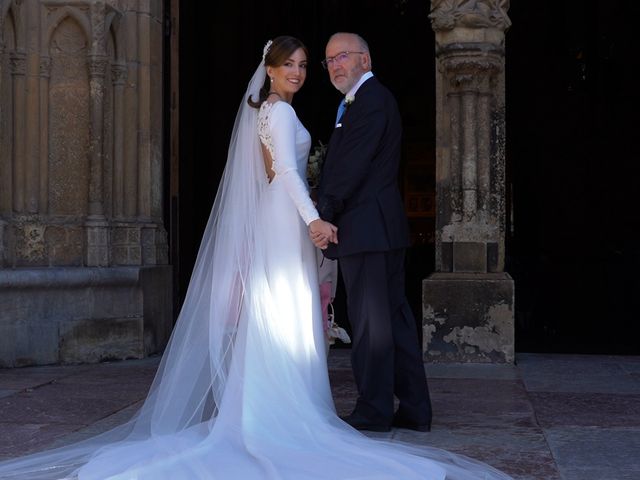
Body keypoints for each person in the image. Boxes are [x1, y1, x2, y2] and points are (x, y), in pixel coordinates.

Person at [0, 36, 512, 480]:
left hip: (283, 218)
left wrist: (311, 210)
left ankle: (274, 405)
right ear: (269, 70)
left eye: (305, 64)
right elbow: (287, 174)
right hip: (288, 218)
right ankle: (285, 410)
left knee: (282, 310)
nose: (300, 71)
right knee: (284, 309)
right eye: (291, 64)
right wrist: (315, 217)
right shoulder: (281, 111)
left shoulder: (272, 110)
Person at [312, 32, 433, 433]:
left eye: (342, 57)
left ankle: (375, 410)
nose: (334, 66)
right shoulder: (362, 101)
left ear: (365, 59)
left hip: (367, 229)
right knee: (392, 321)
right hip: (379, 230)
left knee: (370, 326)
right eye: (328, 61)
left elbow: (351, 166)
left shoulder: (371, 101)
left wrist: (324, 212)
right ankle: (415, 408)